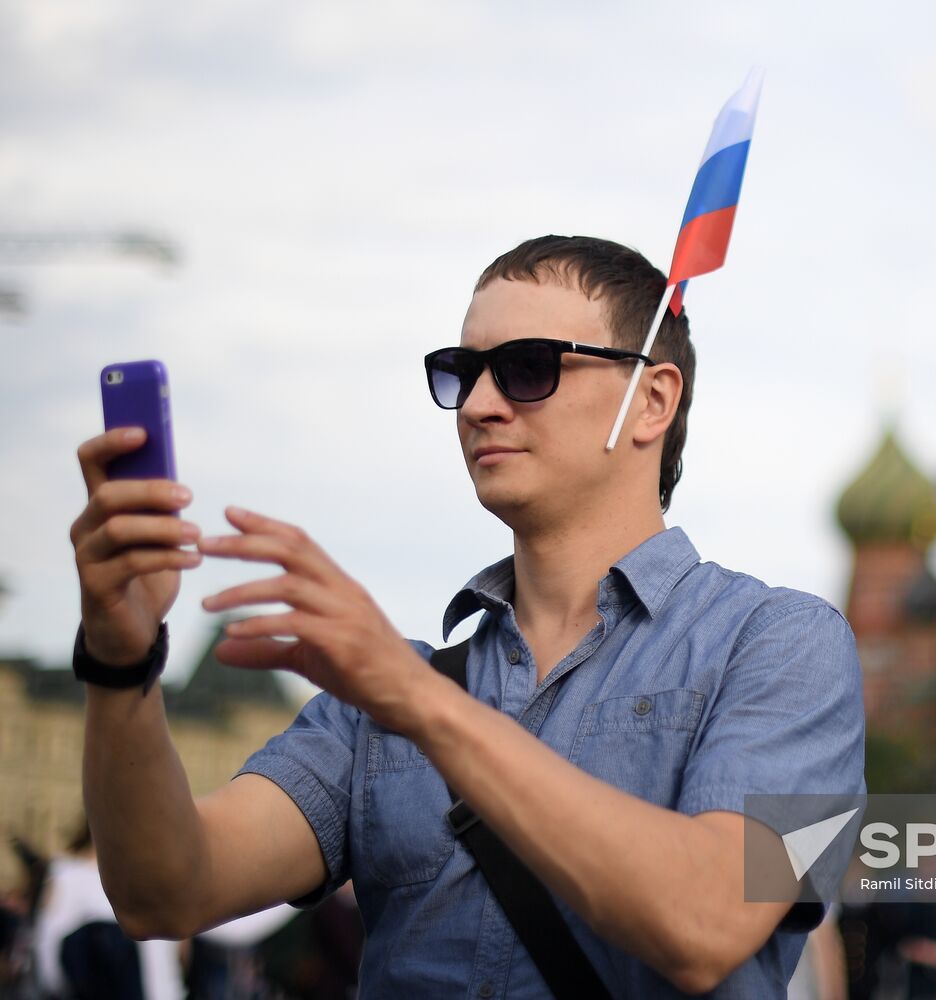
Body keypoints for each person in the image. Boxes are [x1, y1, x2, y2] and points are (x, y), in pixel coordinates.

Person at [69, 235, 866, 997]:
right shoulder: (380, 696)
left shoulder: (784, 646)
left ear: (651, 401)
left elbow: (708, 921)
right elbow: (162, 891)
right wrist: (119, 660)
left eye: (527, 369)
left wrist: (420, 705)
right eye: (461, 372)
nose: (479, 404)